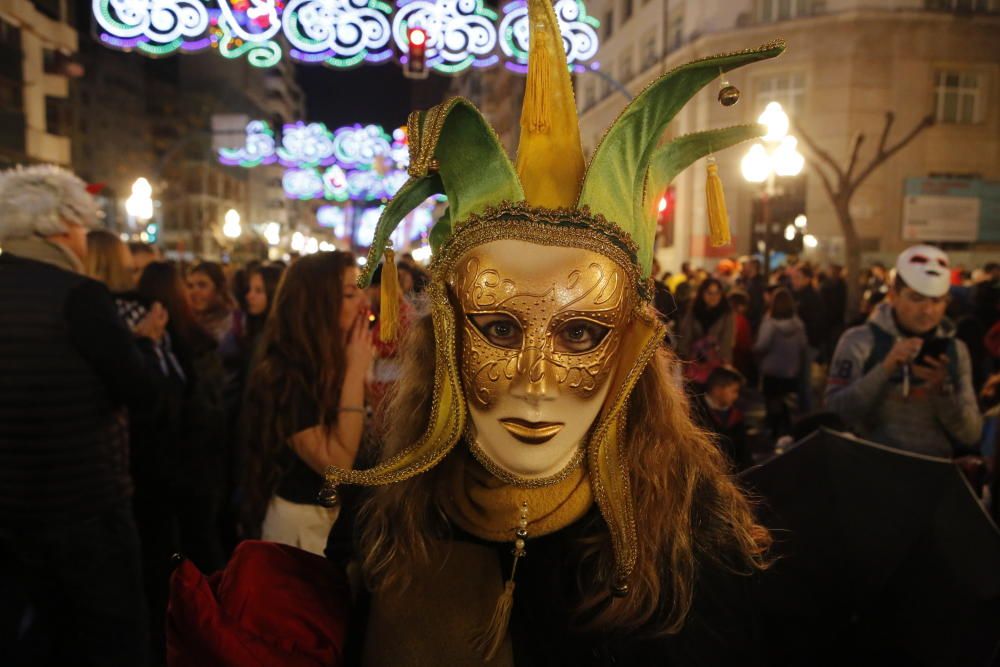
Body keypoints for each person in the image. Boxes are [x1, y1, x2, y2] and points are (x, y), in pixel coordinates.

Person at [313, 17, 782, 665]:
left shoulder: (687, 539)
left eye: (582, 331)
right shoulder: (384, 515)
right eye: (499, 327)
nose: (535, 381)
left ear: (629, 347)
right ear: (448, 333)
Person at [0, 165, 166, 666]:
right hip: (83, 507)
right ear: (63, 226)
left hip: (7, 510)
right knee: (106, 641)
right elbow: (140, 391)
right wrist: (148, 349)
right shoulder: (79, 295)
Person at [241, 251, 373, 556]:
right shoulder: (286, 372)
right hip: (299, 529)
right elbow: (337, 465)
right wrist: (354, 374)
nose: (364, 304)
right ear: (319, 303)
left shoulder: (330, 360)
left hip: (332, 521)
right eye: (351, 294)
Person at [825, 245, 983, 457]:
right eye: (916, 298)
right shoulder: (859, 340)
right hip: (870, 471)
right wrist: (886, 368)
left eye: (937, 301)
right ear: (894, 295)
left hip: (933, 476)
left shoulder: (956, 350)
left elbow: (972, 434)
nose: (927, 310)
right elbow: (835, 413)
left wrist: (942, 393)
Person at [754, 287, 809, 440]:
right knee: (787, 405)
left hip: (771, 371)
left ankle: (773, 434)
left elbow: (761, 346)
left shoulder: (769, 324)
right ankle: (787, 434)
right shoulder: (799, 325)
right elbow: (803, 346)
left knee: (772, 404)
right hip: (791, 371)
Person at [676, 278, 735, 386]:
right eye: (709, 293)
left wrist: (725, 362)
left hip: (716, 364)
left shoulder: (726, 312)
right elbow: (686, 334)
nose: (714, 297)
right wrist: (683, 359)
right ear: (702, 293)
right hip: (694, 364)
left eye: (717, 293)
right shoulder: (694, 309)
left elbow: (727, 340)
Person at [691, 367, 752, 472]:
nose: (736, 396)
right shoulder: (696, 413)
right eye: (733, 391)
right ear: (717, 390)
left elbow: (743, 451)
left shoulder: (735, 415)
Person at [787, 264, 826, 410]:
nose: (794, 281)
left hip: (808, 343)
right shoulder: (798, 295)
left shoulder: (812, 297)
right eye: (793, 278)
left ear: (808, 279)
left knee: (805, 380)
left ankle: (807, 410)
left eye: (798, 278)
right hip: (802, 343)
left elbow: (816, 323)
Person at [187, 260, 237, 342]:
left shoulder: (233, 326)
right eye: (190, 286)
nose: (194, 292)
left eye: (202, 285)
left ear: (219, 289)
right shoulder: (188, 323)